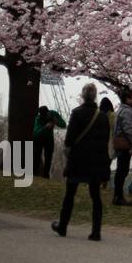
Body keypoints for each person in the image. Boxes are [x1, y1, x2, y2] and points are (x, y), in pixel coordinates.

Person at [52, 83, 111, 240]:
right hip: (96, 161)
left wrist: (68, 153)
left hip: (78, 160)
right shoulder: (103, 117)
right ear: (95, 96)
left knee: (70, 193)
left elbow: (70, 139)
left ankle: (63, 226)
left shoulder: (77, 113)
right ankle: (96, 231)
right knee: (95, 196)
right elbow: (106, 140)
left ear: (83, 96)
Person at [112, 89, 132, 206]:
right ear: (127, 99)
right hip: (124, 145)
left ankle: (117, 196)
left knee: (121, 171)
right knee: (122, 171)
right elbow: (129, 130)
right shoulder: (127, 112)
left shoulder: (121, 110)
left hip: (120, 144)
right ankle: (119, 197)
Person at [32, 105, 67, 179]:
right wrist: (45, 127)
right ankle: (34, 173)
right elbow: (35, 133)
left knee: (48, 157)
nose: (46, 117)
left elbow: (64, 125)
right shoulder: (38, 119)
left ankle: (46, 175)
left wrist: (56, 121)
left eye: (47, 115)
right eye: (44, 116)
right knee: (37, 156)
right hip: (39, 138)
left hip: (49, 138)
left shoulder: (53, 114)